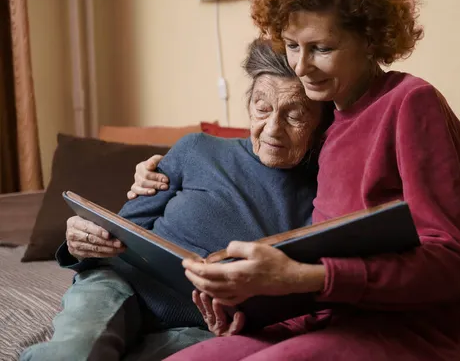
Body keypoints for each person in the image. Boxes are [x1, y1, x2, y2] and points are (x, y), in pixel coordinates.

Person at [133, 0, 460, 360]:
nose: (300, 67)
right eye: (292, 45)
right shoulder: (325, 123)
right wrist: (244, 307)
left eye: (322, 48)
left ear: (370, 40)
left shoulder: (410, 103)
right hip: (324, 317)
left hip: (408, 326)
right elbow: (256, 160)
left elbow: (455, 265)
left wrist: (299, 278)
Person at [20, 39, 333, 361]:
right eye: (262, 108)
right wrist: (84, 241)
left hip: (208, 323)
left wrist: (249, 320)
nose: (272, 129)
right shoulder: (196, 149)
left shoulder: (328, 193)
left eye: (294, 116)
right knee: (76, 354)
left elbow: (298, 296)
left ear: (322, 125)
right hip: (124, 285)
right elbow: (126, 229)